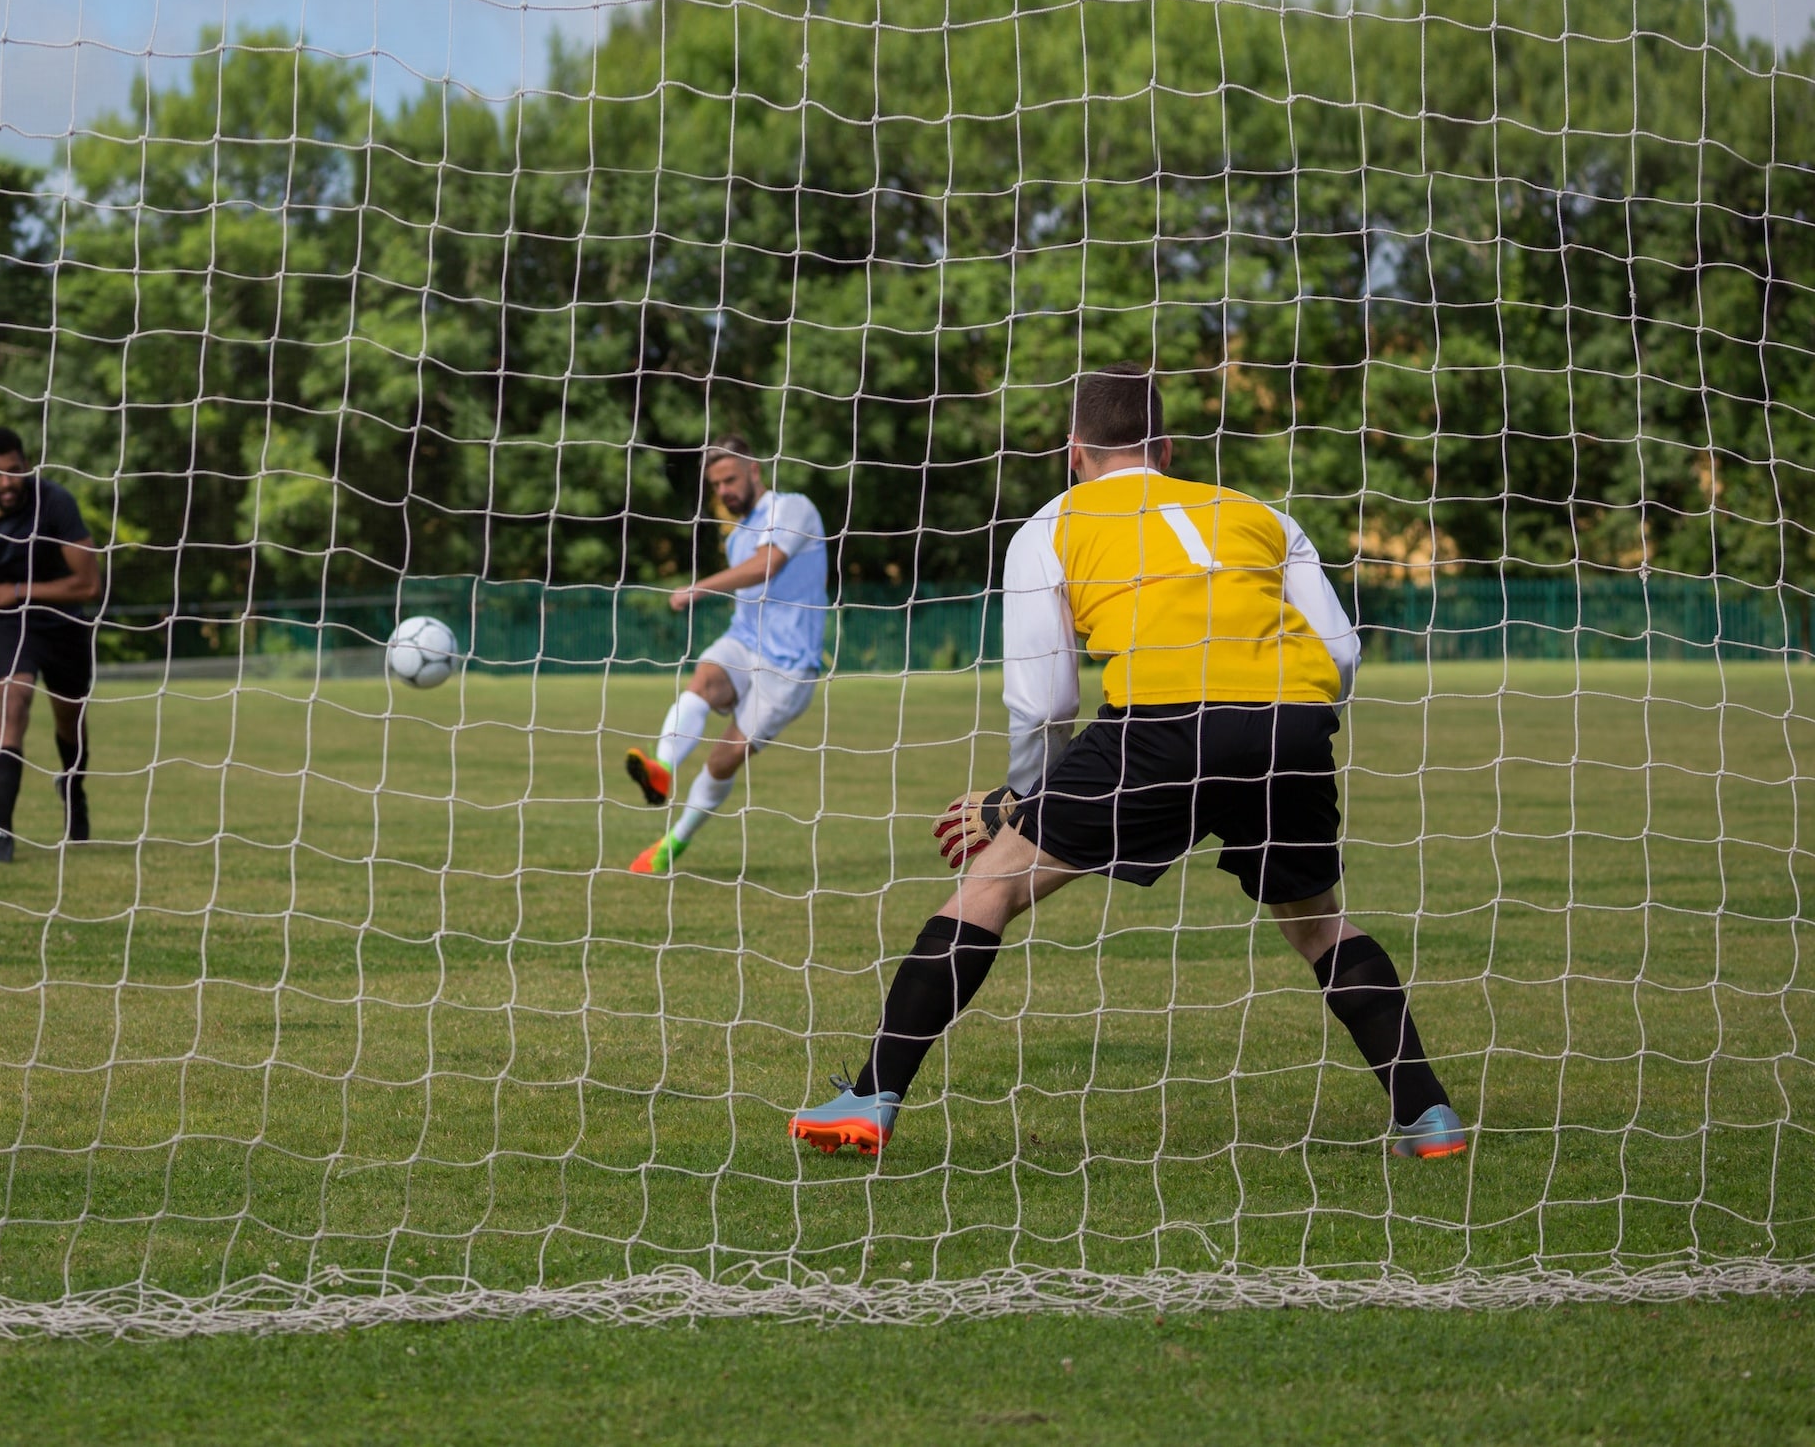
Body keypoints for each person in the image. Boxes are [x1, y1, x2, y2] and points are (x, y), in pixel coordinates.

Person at [788, 363, 1467, 1161]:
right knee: (1318, 922)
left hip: (1163, 724)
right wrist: (1291, 730)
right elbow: (1342, 654)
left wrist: (1020, 800)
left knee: (990, 886)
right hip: (1293, 723)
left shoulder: (1051, 525)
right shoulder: (1262, 515)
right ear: (1169, 446)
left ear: (1073, 451)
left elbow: (1044, 703)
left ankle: (870, 1096)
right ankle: (1429, 1117)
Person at [622, 436, 829, 873]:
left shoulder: (792, 507)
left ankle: (672, 844)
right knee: (703, 678)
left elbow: (767, 564)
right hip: (743, 642)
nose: (723, 491)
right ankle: (660, 768)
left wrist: (699, 586)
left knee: (723, 758)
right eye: (715, 485)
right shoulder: (736, 537)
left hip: (788, 668)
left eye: (730, 479)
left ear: (754, 469)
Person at [0, 427, 102, 863]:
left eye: (15, 471)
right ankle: (1, 833)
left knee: (69, 721)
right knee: (12, 703)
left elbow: (89, 584)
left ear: (27, 466)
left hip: (65, 624)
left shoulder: (56, 502)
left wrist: (21, 590)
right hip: (12, 626)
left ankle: (73, 789)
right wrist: (14, 599)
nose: (7, 482)